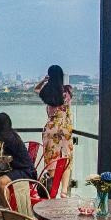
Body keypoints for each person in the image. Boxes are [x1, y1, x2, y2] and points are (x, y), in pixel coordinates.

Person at [36, 64, 75, 195]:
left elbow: (36, 89)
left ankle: (53, 190)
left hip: (51, 129)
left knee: (52, 159)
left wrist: (44, 81)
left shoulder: (48, 91)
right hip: (65, 128)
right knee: (66, 158)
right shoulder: (68, 90)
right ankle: (64, 191)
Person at [0, 112, 37, 204]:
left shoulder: (8, 137)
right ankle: (4, 204)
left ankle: (8, 208)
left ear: (0, 124)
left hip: (26, 171)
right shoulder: (8, 135)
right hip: (14, 169)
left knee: (1, 182)